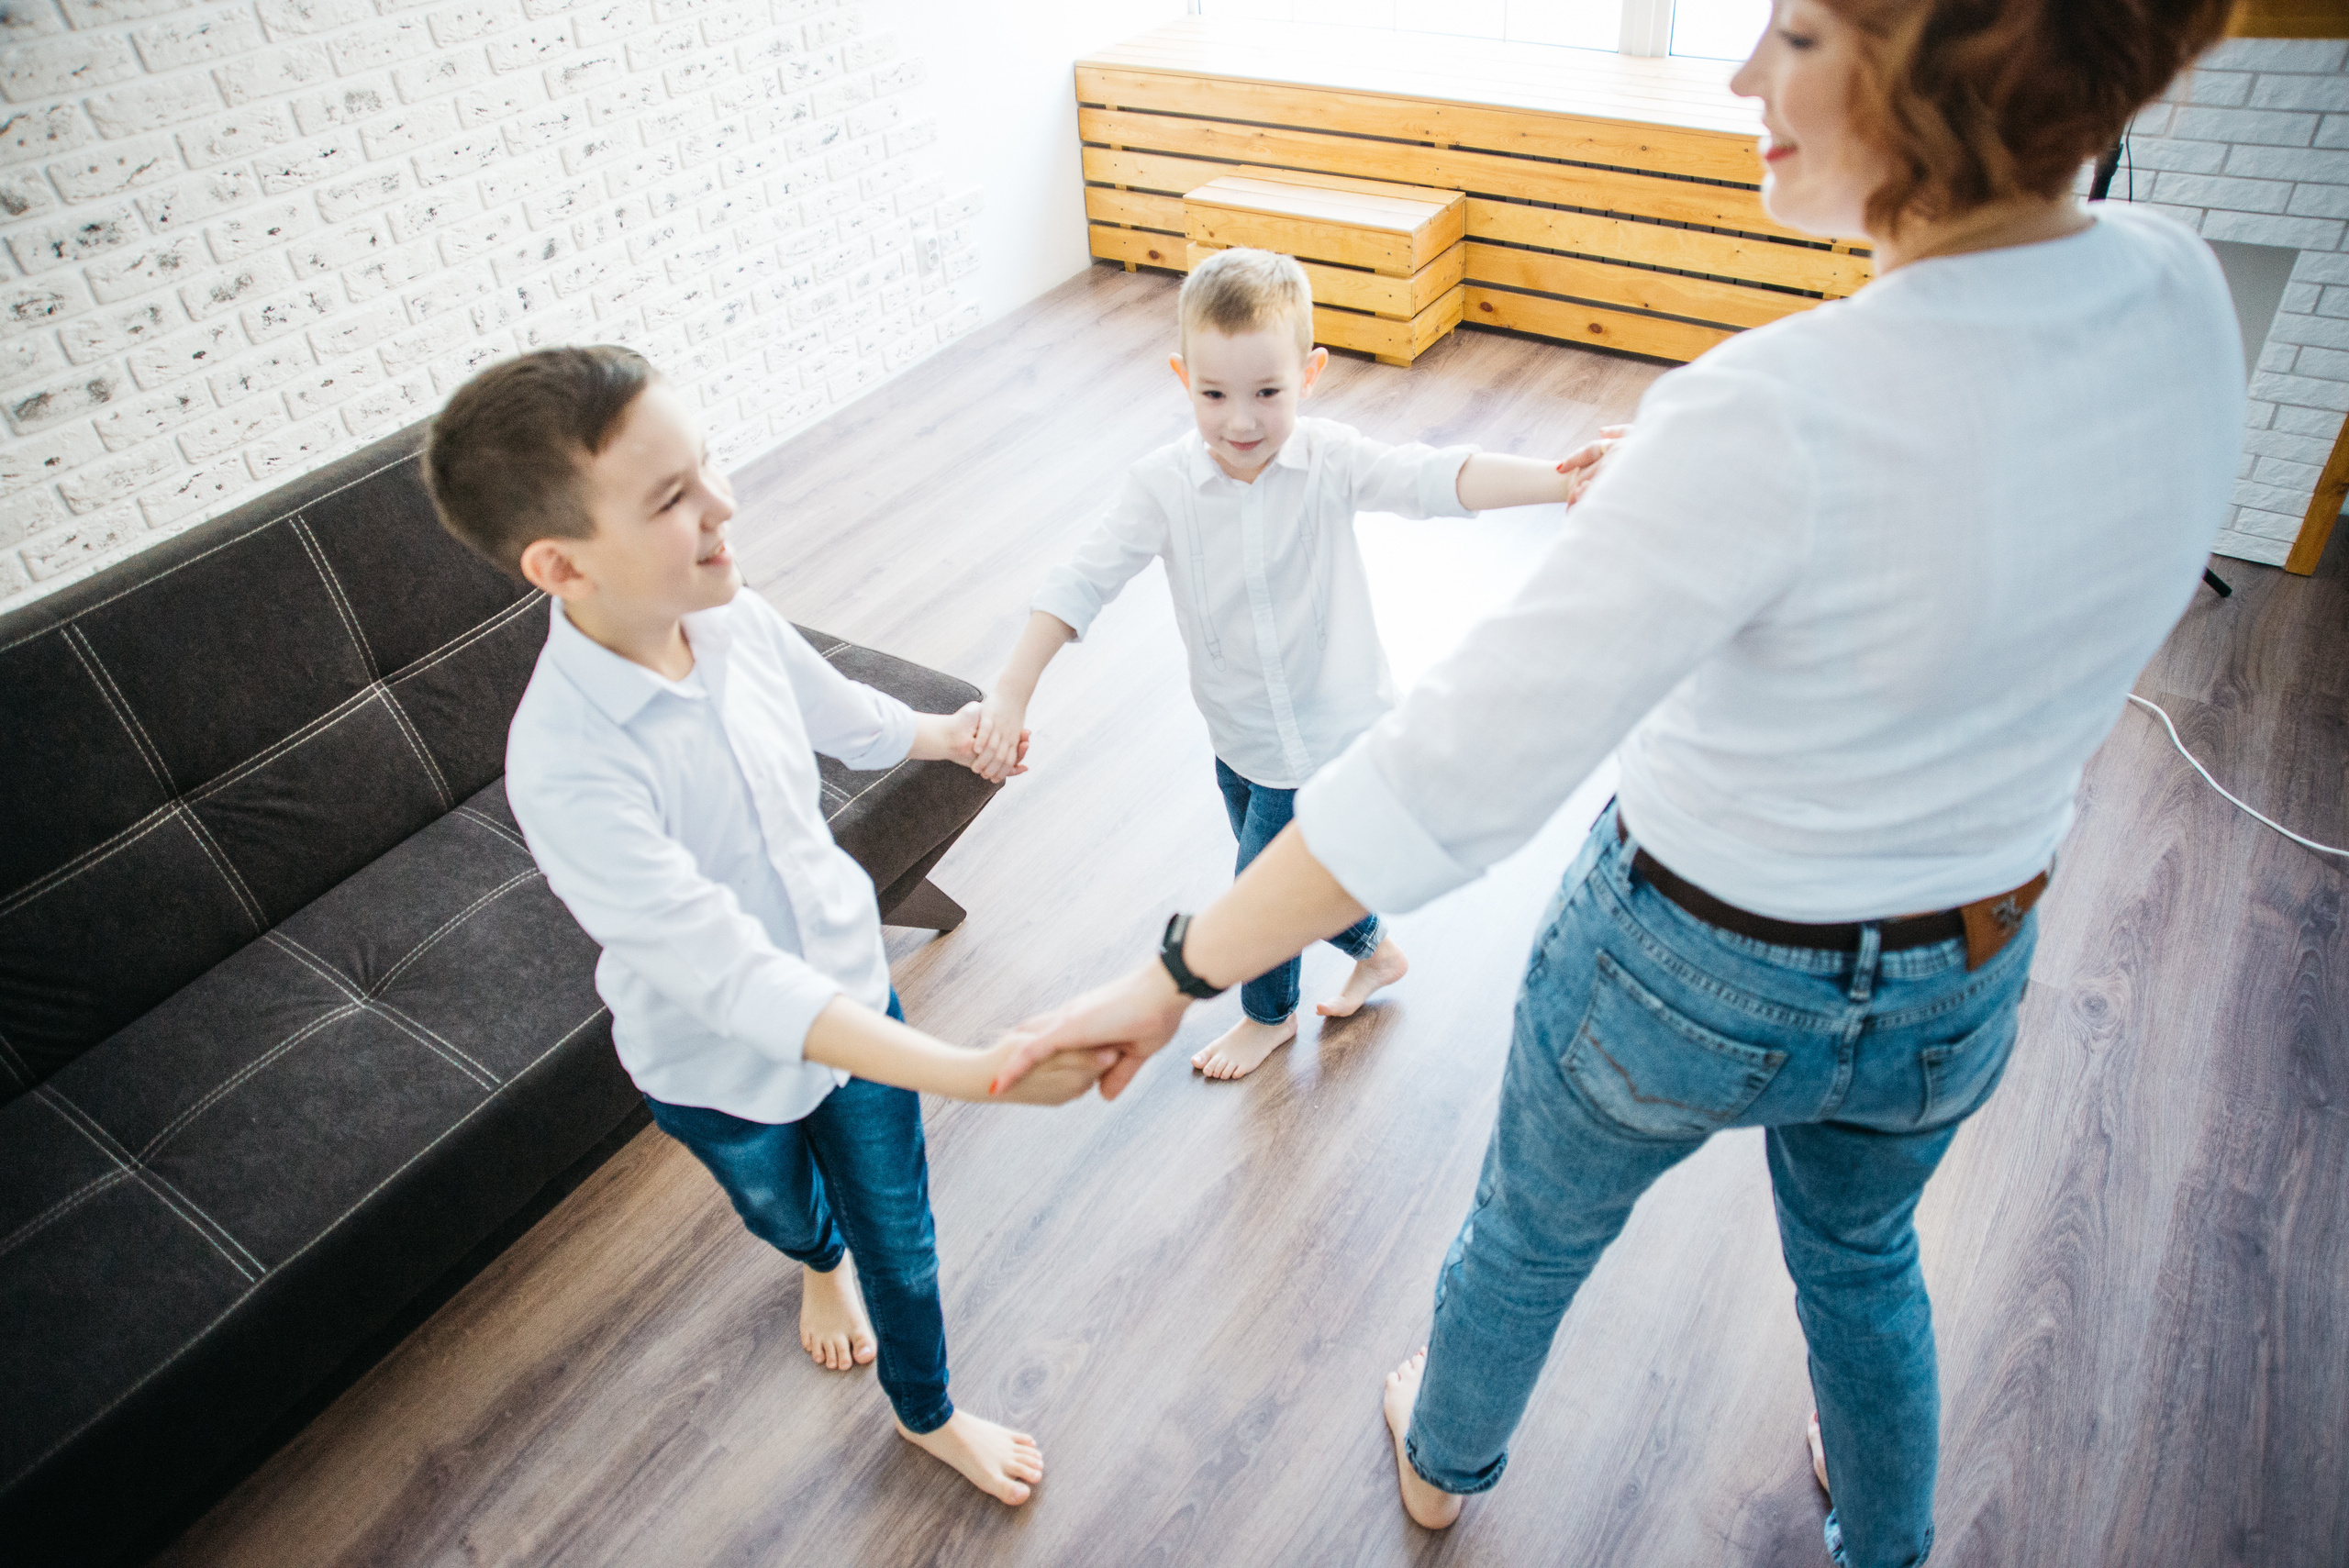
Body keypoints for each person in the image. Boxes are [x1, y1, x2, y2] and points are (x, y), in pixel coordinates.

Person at [994, 0, 2240, 1560]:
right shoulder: (2184, 291)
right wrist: (1697, 501)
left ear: (1942, 60)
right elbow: (1961, 536)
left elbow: (1455, 769)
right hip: (1966, 964)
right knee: (1864, 1258)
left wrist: (1172, 972)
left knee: (1529, 1236)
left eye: (1794, 35)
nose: (1744, 72)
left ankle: (1445, 1459)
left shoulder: (1770, 403)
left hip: (1688, 968)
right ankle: (1887, 1534)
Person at [424, 347, 1115, 1507]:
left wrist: (947, 736)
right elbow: (733, 977)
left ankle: (927, 1410)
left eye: (708, 464)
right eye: (672, 496)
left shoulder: (733, 616)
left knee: (903, 1237)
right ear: (561, 563)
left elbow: (843, 715)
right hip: (714, 1068)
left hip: (853, 994)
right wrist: (968, 1068)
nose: (724, 503)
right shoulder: (566, 763)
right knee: (785, 1209)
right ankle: (813, 1258)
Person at [972, 246, 1585, 1080]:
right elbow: (1081, 581)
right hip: (1238, 737)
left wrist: (1561, 480)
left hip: (1328, 737)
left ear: (1310, 372)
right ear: (1183, 378)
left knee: (1258, 892)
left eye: (1268, 392)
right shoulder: (1161, 486)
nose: (1241, 422)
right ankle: (1377, 950)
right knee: (1299, 877)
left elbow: (1437, 478)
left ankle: (1269, 1017)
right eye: (1214, 395)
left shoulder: (1331, 461)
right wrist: (1012, 689)